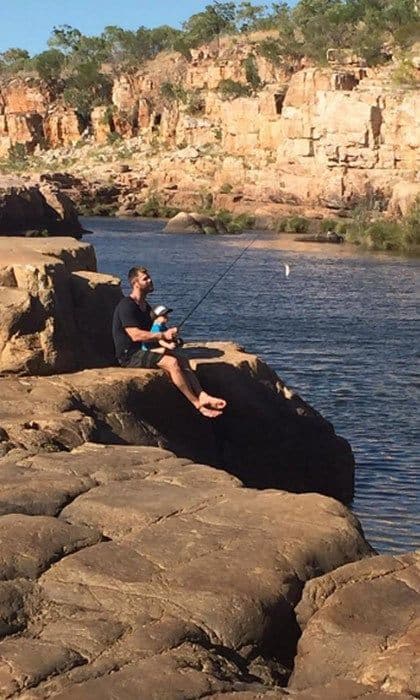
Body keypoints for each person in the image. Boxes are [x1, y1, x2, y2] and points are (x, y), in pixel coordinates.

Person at [112, 266, 227, 418]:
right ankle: (197, 404)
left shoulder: (146, 308)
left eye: (149, 277)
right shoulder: (127, 305)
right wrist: (162, 335)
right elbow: (135, 335)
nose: (150, 280)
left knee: (182, 360)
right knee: (171, 363)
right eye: (145, 279)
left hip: (144, 349)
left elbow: (152, 333)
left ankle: (202, 394)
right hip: (129, 355)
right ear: (135, 283)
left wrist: (168, 337)